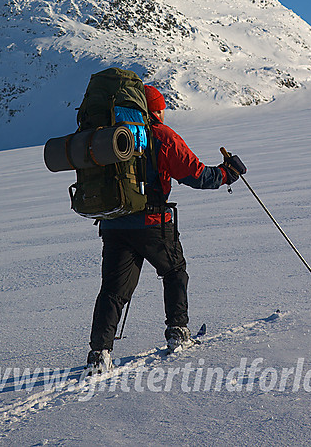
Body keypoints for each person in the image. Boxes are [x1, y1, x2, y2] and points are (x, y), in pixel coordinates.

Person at [85, 84, 246, 373]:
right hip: (153, 224)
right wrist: (227, 174)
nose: (163, 111)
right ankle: (177, 332)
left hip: (113, 223)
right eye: (161, 106)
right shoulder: (161, 135)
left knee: (112, 290)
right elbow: (195, 174)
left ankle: (99, 354)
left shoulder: (108, 136)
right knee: (173, 272)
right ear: (153, 108)